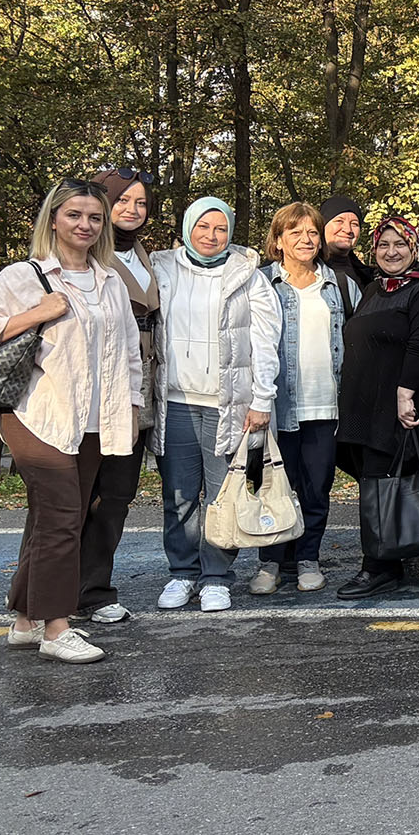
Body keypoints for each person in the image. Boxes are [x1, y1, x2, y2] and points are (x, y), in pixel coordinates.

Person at [0, 179, 142, 662]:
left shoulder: (110, 282)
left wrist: (129, 407)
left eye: (95, 218)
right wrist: (36, 313)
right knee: (63, 518)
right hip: (36, 416)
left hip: (91, 422)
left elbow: (128, 353)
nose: (85, 225)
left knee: (53, 519)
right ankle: (56, 628)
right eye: (74, 215)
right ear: (54, 218)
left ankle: (25, 618)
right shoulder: (24, 276)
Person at [151, 198, 282, 612]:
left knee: (223, 495)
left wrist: (262, 398)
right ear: (188, 227)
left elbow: (265, 340)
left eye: (220, 228)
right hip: (176, 402)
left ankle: (216, 577)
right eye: (203, 226)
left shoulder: (247, 276)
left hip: (230, 404)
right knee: (180, 494)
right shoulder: (163, 268)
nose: (211, 236)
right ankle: (182, 574)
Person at [333, 217, 419, 599]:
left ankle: (377, 567)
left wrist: (405, 395)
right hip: (361, 404)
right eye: (383, 245)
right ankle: (391, 555)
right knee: (374, 481)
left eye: (400, 244)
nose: (391, 251)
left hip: (398, 405)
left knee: (382, 481)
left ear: (415, 247)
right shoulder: (373, 289)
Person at [254, 203, 362, 596]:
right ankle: (270, 562)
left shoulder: (341, 285)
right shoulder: (261, 283)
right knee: (274, 485)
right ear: (278, 239)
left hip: (326, 404)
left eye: (312, 233)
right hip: (277, 404)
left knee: (316, 486)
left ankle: (307, 559)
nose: (305, 240)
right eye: (295, 233)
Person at [79, 167, 158, 625]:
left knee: (116, 497)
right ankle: (53, 594)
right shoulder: (88, 256)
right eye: (122, 201)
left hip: (140, 392)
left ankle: (95, 590)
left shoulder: (147, 257)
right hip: (96, 392)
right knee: (78, 497)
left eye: (141, 203)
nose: (131, 210)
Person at [319, 194, 372, 290]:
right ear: (322, 226)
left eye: (354, 224)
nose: (348, 230)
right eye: (339, 221)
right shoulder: (309, 272)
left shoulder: (369, 278)